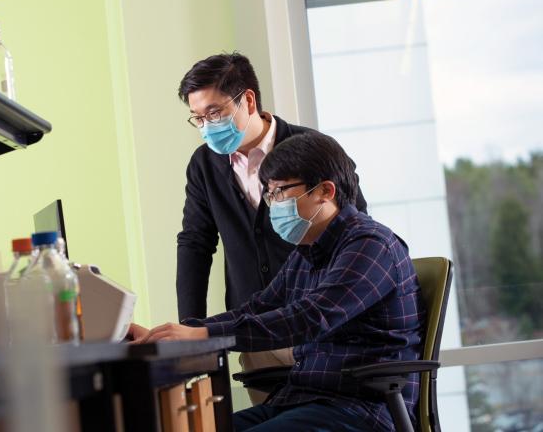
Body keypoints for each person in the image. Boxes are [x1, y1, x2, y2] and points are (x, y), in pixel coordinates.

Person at [129, 131, 426, 432]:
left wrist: (203, 335)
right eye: (269, 194)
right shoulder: (307, 251)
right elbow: (258, 308)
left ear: (325, 190)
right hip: (301, 400)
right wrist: (174, 335)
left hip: (360, 409)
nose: (273, 204)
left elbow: (309, 318)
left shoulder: (370, 245)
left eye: (281, 191)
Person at [175, 53, 368, 402]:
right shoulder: (204, 165)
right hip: (256, 332)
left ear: (247, 100)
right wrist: (189, 330)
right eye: (198, 118)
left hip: (320, 324)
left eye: (215, 113)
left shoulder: (314, 150)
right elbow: (195, 243)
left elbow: (353, 228)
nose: (206, 127)